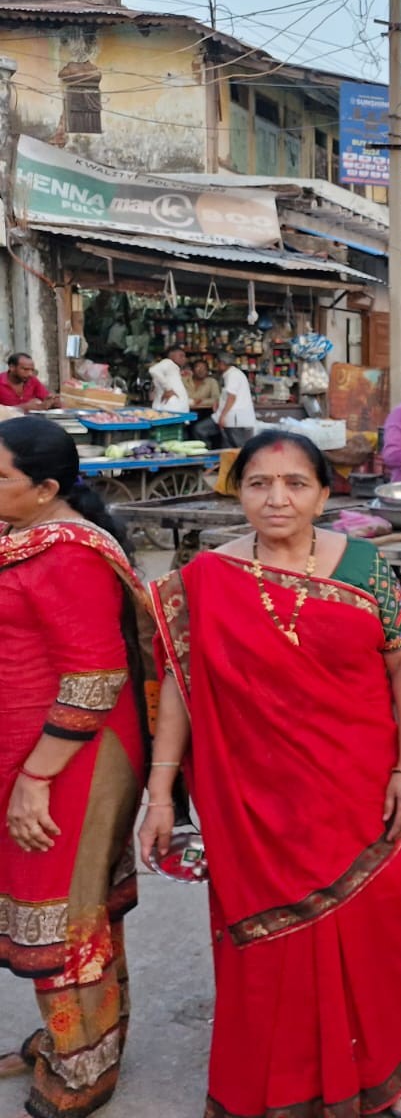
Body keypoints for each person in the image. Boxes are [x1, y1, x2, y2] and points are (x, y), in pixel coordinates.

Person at [140, 431, 401, 1118]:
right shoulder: (205, 580)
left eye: (296, 483)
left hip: (359, 783)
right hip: (254, 802)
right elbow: (181, 689)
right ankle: (283, 1086)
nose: (277, 499)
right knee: (270, 955)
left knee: (380, 930)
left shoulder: (363, 567)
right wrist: (160, 791)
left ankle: (388, 1069)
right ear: (236, 492)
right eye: (259, 484)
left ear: (326, 494)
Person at [0, 417, 148, 1118]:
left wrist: (35, 779)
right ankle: (81, 1036)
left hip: (70, 758)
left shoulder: (69, 556)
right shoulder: (24, 537)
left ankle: (84, 1065)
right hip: (37, 749)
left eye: (0, 476)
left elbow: (94, 677)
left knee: (65, 914)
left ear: (47, 489)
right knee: (63, 905)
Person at [213, 351, 256, 449]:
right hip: (235, 418)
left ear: (222, 363)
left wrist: (222, 416)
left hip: (236, 418)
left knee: (239, 448)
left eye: (218, 364)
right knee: (231, 447)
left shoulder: (233, 375)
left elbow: (232, 397)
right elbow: (227, 395)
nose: (217, 366)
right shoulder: (231, 374)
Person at [148, 346, 190, 414]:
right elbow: (153, 370)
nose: (184, 358)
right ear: (171, 355)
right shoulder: (168, 362)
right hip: (169, 410)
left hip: (174, 410)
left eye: (184, 356)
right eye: (181, 355)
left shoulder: (174, 367)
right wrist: (168, 389)